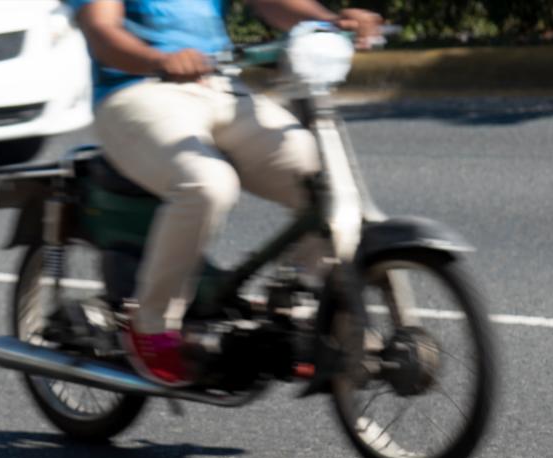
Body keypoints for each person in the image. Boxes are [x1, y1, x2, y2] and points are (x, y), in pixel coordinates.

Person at [70, 0, 381, 387]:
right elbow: (102, 31)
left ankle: (298, 298)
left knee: (325, 181)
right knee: (207, 184)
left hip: (219, 88)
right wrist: (158, 60)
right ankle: (149, 324)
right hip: (136, 91)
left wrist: (332, 21)